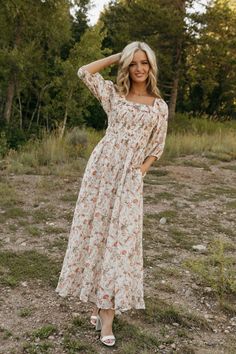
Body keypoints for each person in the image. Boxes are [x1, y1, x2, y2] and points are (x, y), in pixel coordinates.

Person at [55, 41, 169, 347]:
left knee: (121, 242)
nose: (139, 68)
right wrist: (118, 55)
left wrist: (141, 171)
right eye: (133, 63)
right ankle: (99, 303)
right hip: (101, 173)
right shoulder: (115, 96)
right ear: (127, 67)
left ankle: (107, 313)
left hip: (129, 179)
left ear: (151, 67)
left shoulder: (159, 106)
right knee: (99, 235)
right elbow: (83, 72)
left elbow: (157, 147)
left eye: (144, 63)